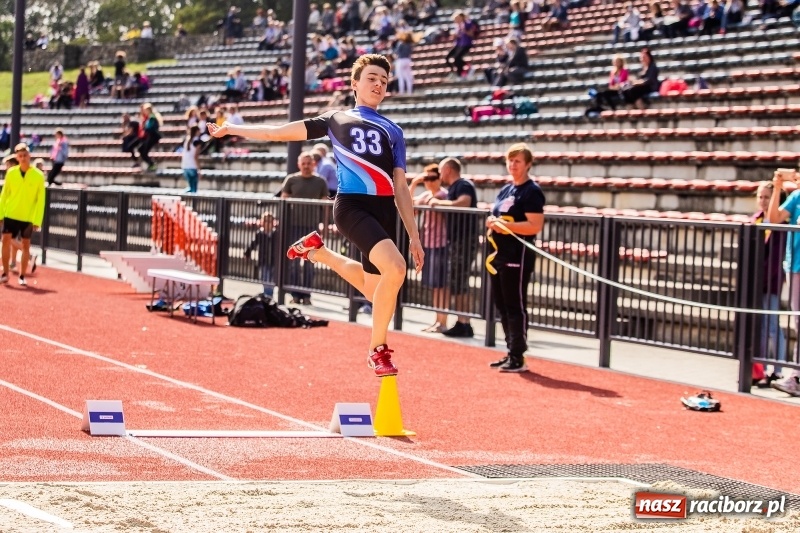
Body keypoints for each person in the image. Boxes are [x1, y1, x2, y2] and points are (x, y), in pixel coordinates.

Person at [208, 54, 424, 377]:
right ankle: (377, 350)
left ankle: (319, 252)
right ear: (355, 84)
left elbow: (402, 187)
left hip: (385, 210)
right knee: (396, 268)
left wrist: (415, 236)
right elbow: (280, 132)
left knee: (374, 288)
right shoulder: (336, 118)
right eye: (371, 78)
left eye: (383, 80)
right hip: (352, 206)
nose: (378, 84)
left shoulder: (394, 130)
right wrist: (232, 129)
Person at [485, 143, 545, 372]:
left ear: (528, 164)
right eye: (510, 161)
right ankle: (511, 350)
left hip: (517, 256)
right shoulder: (506, 189)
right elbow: (496, 214)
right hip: (498, 254)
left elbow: (534, 225)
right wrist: (492, 221)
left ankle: (518, 354)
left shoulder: (532, 191)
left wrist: (506, 226)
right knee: (501, 303)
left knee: (514, 304)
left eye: (517, 161)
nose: (512, 165)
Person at [429, 157, 478, 338]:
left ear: (448, 170)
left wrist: (439, 203)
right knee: (457, 281)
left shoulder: (463, 185)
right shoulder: (454, 188)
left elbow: (465, 202)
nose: (441, 175)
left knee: (460, 281)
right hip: (458, 240)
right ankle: (462, 321)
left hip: (465, 239)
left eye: (442, 171)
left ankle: (464, 323)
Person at [766, 168, 800, 396]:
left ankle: (796, 376)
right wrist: (778, 186)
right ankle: (796, 376)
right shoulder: (796, 196)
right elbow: (773, 219)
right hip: (795, 264)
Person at [279, 151, 329, 304]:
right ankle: (295, 295)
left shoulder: (321, 181)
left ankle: (307, 296)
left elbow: (325, 206)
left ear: (314, 165)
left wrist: (325, 227)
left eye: (309, 163)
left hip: (311, 228)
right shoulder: (291, 179)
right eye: (304, 163)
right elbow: (283, 202)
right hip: (293, 226)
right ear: (299, 164)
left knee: (310, 263)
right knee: (293, 263)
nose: (306, 166)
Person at [752, 181, 787, 387]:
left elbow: (775, 258)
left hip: (770, 283)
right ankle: (761, 368)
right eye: (761, 197)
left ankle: (778, 369)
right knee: (761, 327)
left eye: (767, 197)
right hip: (756, 284)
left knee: (773, 326)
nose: (763, 201)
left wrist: (763, 280)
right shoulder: (755, 220)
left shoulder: (778, 224)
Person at [0, 143, 47, 286]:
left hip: (27, 217)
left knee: (26, 245)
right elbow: (4, 195)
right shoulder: (11, 173)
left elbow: (41, 200)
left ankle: (22, 275)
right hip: (11, 214)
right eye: (20, 156)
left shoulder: (38, 176)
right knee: (5, 242)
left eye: (25, 155)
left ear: (29, 155)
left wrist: (37, 219)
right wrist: (1, 214)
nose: (23, 158)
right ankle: (5, 273)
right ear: (17, 157)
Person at [411, 164, 449, 333]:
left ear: (440, 178)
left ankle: (443, 321)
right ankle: (437, 320)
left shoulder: (444, 195)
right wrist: (413, 184)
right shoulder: (426, 195)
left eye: (433, 178)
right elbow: (409, 209)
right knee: (435, 285)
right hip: (429, 244)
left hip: (441, 244)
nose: (429, 182)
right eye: (427, 179)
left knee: (441, 285)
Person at [244, 212, 281, 297]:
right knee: (265, 278)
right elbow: (253, 244)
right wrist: (247, 252)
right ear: (262, 222)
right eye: (265, 221)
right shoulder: (260, 234)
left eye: (270, 222)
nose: (267, 224)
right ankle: (267, 295)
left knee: (272, 279)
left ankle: (269, 294)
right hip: (263, 260)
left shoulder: (276, 234)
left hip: (273, 261)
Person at [181, 125, 203, 193]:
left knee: (191, 188)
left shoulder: (187, 139)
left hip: (185, 166)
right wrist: (199, 169)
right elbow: (195, 156)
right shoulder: (197, 141)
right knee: (194, 191)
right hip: (192, 166)